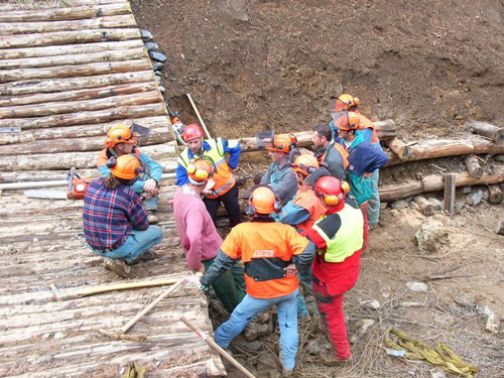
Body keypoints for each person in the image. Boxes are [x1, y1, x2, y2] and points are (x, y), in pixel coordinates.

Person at [200, 186, 316, 375]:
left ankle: (218, 343)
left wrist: (205, 281)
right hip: (287, 290)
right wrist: (298, 266)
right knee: (289, 325)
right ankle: (288, 366)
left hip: (258, 293)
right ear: (275, 208)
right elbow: (308, 250)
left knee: (239, 317)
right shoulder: (286, 231)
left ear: (250, 209)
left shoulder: (240, 232)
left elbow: (221, 263)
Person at [303, 176, 366, 365]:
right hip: (350, 269)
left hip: (328, 280)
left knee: (334, 313)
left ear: (325, 200)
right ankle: (325, 328)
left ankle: (342, 354)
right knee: (331, 310)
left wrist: (296, 266)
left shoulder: (326, 227)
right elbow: (365, 228)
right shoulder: (353, 206)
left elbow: (305, 251)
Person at [173, 158, 245, 312]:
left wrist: (202, 194)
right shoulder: (196, 207)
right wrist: (196, 265)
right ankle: (247, 321)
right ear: (208, 181)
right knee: (231, 295)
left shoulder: (181, 192)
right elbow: (193, 238)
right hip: (210, 258)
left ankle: (252, 303)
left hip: (219, 249)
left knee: (241, 275)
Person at [83, 155, 163, 277]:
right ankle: (125, 259)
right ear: (133, 178)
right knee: (157, 233)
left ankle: (123, 253)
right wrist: (140, 201)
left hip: (92, 244)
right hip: (115, 248)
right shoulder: (128, 194)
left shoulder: (94, 184)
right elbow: (142, 225)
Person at [278, 153, 328, 318]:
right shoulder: (315, 190)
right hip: (314, 243)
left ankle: (307, 314)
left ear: (301, 174)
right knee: (309, 278)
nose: (293, 174)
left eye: (295, 172)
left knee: (299, 279)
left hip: (305, 246)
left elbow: (285, 217)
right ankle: (316, 309)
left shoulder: (307, 200)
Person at [333, 112, 389, 250]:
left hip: (358, 187)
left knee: (361, 218)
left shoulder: (363, 146)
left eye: (341, 129)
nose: (338, 131)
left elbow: (382, 158)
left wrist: (368, 172)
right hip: (347, 184)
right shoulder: (340, 140)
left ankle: (363, 247)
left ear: (351, 131)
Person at [328, 93, 383, 227]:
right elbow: (332, 131)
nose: (337, 116)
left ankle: (371, 221)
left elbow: (362, 149)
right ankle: (355, 217)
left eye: (340, 112)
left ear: (348, 110)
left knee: (370, 188)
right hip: (351, 156)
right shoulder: (341, 120)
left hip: (368, 158)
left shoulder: (364, 125)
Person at [176, 123, 242, 227]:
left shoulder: (216, 144)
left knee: (235, 215)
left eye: (195, 142)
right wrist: (199, 189)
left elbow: (236, 146)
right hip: (208, 195)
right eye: (189, 143)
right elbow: (181, 181)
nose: (193, 146)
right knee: (208, 220)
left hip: (228, 188)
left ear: (201, 138)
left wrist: (231, 166)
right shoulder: (184, 158)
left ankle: (237, 233)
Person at [97, 123, 162, 224]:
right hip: (119, 191)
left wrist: (153, 180)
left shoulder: (133, 151)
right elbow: (116, 185)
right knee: (117, 188)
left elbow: (154, 165)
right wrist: (145, 186)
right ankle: (132, 210)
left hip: (134, 184)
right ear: (121, 146)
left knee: (147, 175)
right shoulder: (104, 160)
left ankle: (149, 209)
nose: (133, 144)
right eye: (130, 142)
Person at [260, 133, 298, 206]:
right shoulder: (274, 165)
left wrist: (264, 188)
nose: (269, 154)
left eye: (271, 151)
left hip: (283, 212)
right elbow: (263, 182)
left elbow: (278, 192)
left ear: (280, 153)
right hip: (272, 203)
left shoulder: (292, 172)